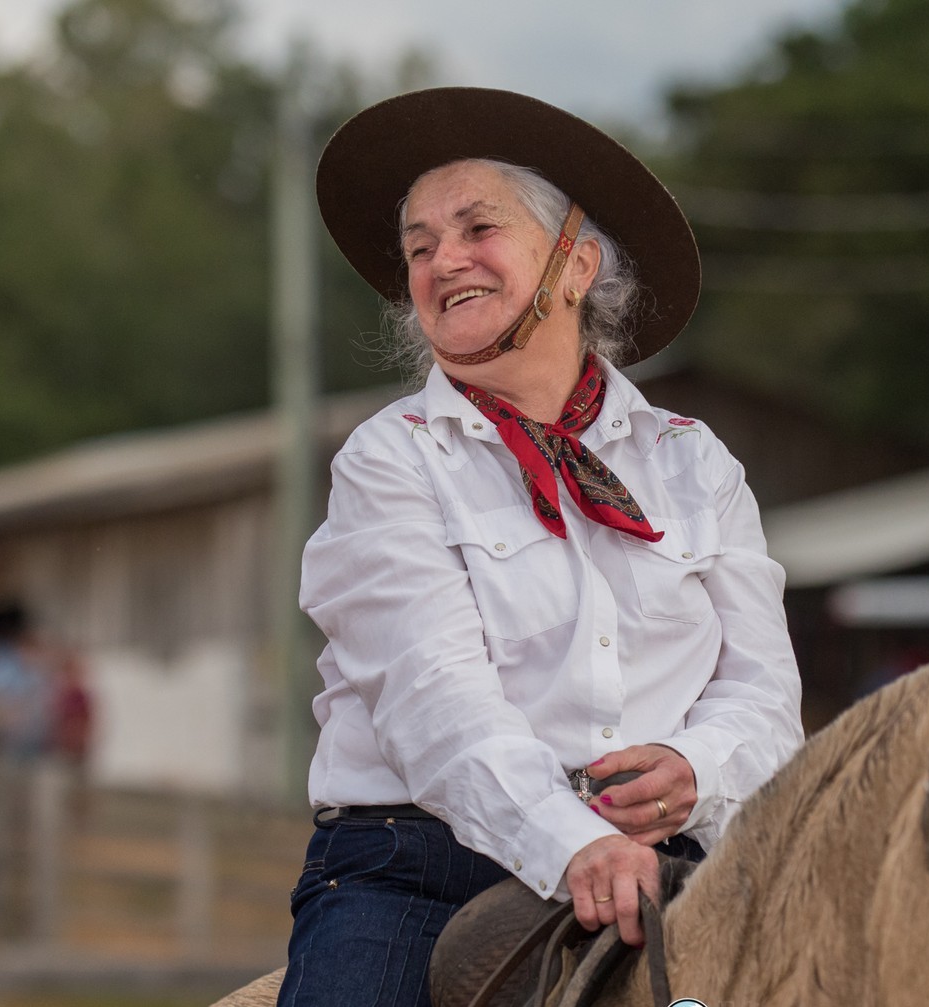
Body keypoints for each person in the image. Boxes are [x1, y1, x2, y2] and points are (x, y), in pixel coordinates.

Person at [278, 88, 805, 1006]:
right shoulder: (389, 458)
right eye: (419, 248)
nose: (445, 261)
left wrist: (696, 771)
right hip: (423, 866)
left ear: (575, 265)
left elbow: (764, 695)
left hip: (669, 870)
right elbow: (433, 702)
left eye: (478, 228)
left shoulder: (693, 463)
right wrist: (571, 841)